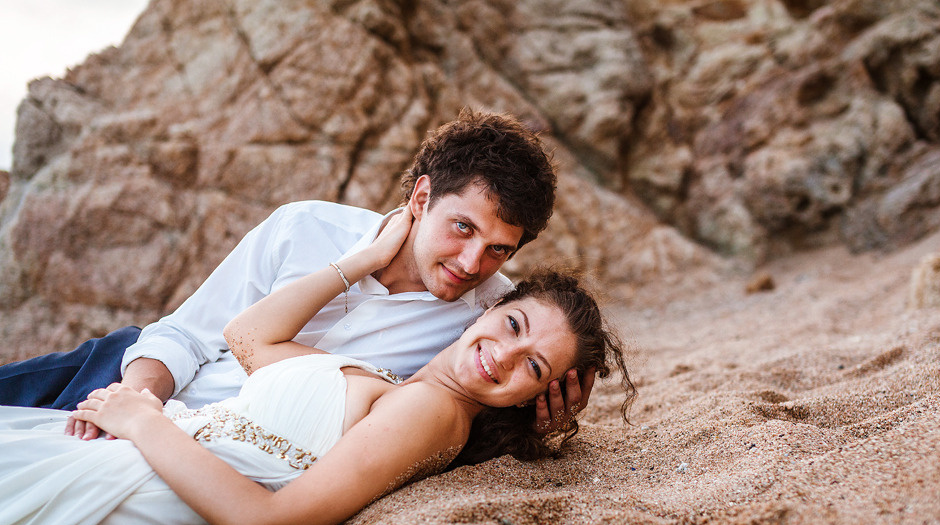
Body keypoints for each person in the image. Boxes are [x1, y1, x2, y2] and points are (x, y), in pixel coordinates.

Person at [0, 205, 635, 525]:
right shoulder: (391, 384)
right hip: (128, 433)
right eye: (513, 325)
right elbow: (245, 334)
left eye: (532, 368)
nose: (503, 355)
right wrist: (363, 259)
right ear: (489, 308)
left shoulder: (431, 412)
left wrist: (143, 422)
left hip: (136, 479)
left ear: (535, 395)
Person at [0, 109, 593, 439]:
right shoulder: (306, 228)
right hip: (129, 374)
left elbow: (500, 383)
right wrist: (133, 402)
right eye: (462, 228)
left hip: (223, 441)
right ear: (421, 197)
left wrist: (544, 417)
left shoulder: (492, 323)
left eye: (497, 250)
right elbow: (187, 334)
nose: (472, 265)